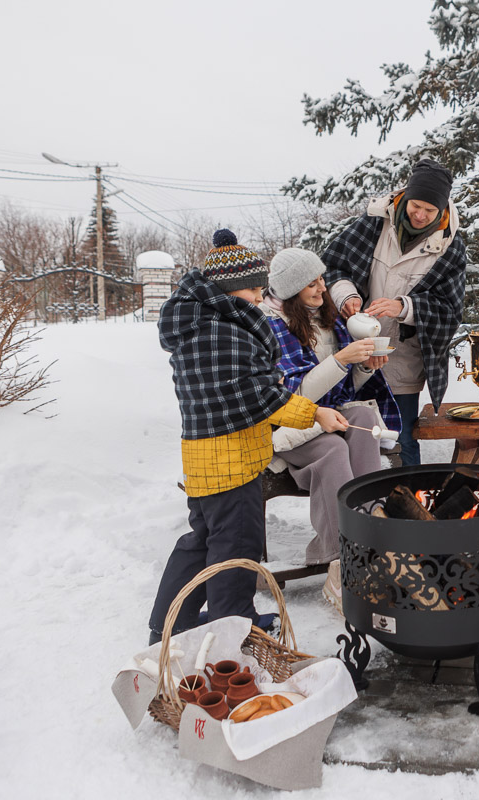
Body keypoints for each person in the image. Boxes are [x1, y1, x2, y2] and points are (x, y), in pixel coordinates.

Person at [148, 229, 348, 645]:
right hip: (229, 457)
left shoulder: (203, 323)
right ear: (228, 288)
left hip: (206, 455)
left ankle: (170, 622)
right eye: (255, 290)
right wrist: (315, 413)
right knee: (237, 545)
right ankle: (235, 625)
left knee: (204, 540)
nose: (260, 298)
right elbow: (257, 396)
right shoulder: (221, 332)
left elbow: (242, 388)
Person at [261, 247, 402, 613]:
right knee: (332, 450)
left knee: (367, 422)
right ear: (290, 289)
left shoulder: (327, 318)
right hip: (289, 426)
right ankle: (340, 559)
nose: (321, 288)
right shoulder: (270, 325)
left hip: (331, 415)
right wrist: (341, 360)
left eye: (321, 279)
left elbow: (346, 390)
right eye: (311, 283)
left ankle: (373, 539)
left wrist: (366, 366)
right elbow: (293, 396)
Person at [322, 157, 467, 466]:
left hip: (402, 360)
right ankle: (361, 508)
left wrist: (404, 307)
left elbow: (450, 309)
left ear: (442, 209)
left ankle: (409, 506)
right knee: (354, 436)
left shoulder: (450, 246)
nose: (421, 214)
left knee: (401, 442)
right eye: (417, 205)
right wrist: (346, 295)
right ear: (405, 196)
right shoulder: (374, 223)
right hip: (354, 353)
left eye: (430, 210)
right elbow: (331, 266)